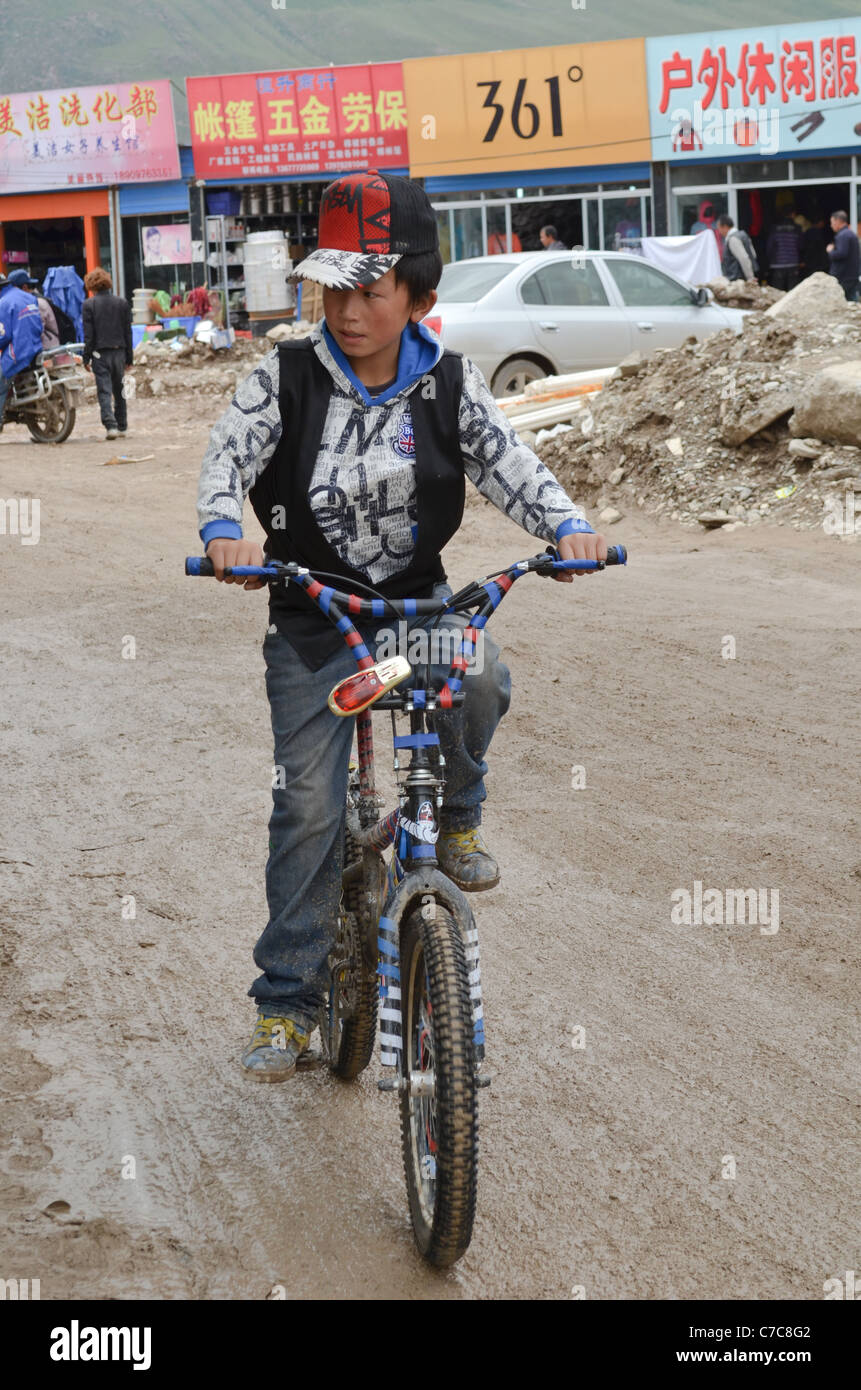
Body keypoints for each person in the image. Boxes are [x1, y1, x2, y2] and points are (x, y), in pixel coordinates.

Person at [195, 170, 607, 1080]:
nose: (344, 310)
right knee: (305, 804)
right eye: (330, 287)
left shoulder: (449, 385)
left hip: (413, 612)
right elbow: (228, 456)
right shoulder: (285, 376)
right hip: (316, 620)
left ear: (418, 295)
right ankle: (286, 1005)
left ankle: (457, 819)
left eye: (368, 290)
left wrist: (567, 527)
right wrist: (224, 530)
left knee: (484, 674)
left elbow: (512, 466)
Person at [81, 268, 133, 440]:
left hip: (99, 354)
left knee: (104, 390)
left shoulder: (89, 305)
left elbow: (89, 336)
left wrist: (86, 357)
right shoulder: (122, 303)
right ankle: (122, 426)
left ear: (91, 285)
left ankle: (110, 426)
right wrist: (129, 357)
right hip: (119, 352)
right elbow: (128, 332)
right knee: (120, 390)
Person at [0, 271, 44, 431]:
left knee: (0, 381)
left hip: (18, 351)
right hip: (35, 347)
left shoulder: (3, 303)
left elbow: (3, 335)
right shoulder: (29, 297)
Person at [6, 269, 59, 350]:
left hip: (47, 350)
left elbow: (35, 330)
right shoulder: (27, 301)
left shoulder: (36, 303)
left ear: (24, 287)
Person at [826, 210, 860, 302]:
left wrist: (830, 251)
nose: (831, 225)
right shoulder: (851, 234)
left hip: (843, 276)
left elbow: (841, 253)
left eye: (832, 222)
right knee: (852, 303)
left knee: (841, 303)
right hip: (852, 275)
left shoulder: (842, 235)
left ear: (838, 221)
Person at [766, 212, 802, 292]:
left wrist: (769, 261)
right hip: (793, 263)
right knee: (793, 292)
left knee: (777, 292)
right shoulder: (797, 228)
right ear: (792, 214)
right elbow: (801, 246)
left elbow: (769, 247)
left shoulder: (774, 228)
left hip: (777, 264)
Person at [716, 215, 758, 282]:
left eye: (719, 228)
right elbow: (753, 254)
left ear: (725, 227)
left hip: (738, 280)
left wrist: (750, 277)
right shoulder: (742, 235)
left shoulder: (733, 239)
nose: (719, 231)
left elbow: (744, 258)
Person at [793, 212, 829, 277]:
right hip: (816, 264)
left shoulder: (808, 232)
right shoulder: (817, 233)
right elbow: (811, 248)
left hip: (811, 264)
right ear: (820, 222)